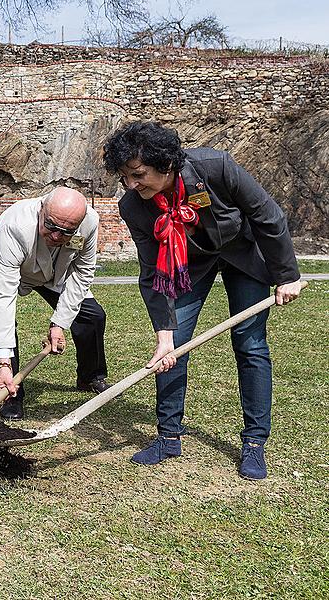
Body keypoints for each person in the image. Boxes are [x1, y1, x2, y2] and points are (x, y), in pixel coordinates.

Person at [102, 120, 304, 480]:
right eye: (125, 178)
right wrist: (164, 334)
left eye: (138, 175)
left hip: (242, 253)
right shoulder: (134, 207)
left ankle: (254, 443)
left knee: (250, 343)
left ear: (164, 165)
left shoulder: (216, 167)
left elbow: (268, 217)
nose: (132, 185)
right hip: (187, 266)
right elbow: (152, 272)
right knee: (174, 346)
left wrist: (287, 276)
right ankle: (168, 436)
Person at [0, 186, 111, 420]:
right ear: (42, 209)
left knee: (92, 315)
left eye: (66, 232)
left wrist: (59, 323)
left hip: (54, 269)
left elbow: (82, 273)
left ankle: (90, 376)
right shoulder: (15, 225)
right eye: (51, 226)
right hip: (3, 261)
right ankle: (11, 394)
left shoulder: (89, 222)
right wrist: (4, 362)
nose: (56, 236)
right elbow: (3, 299)